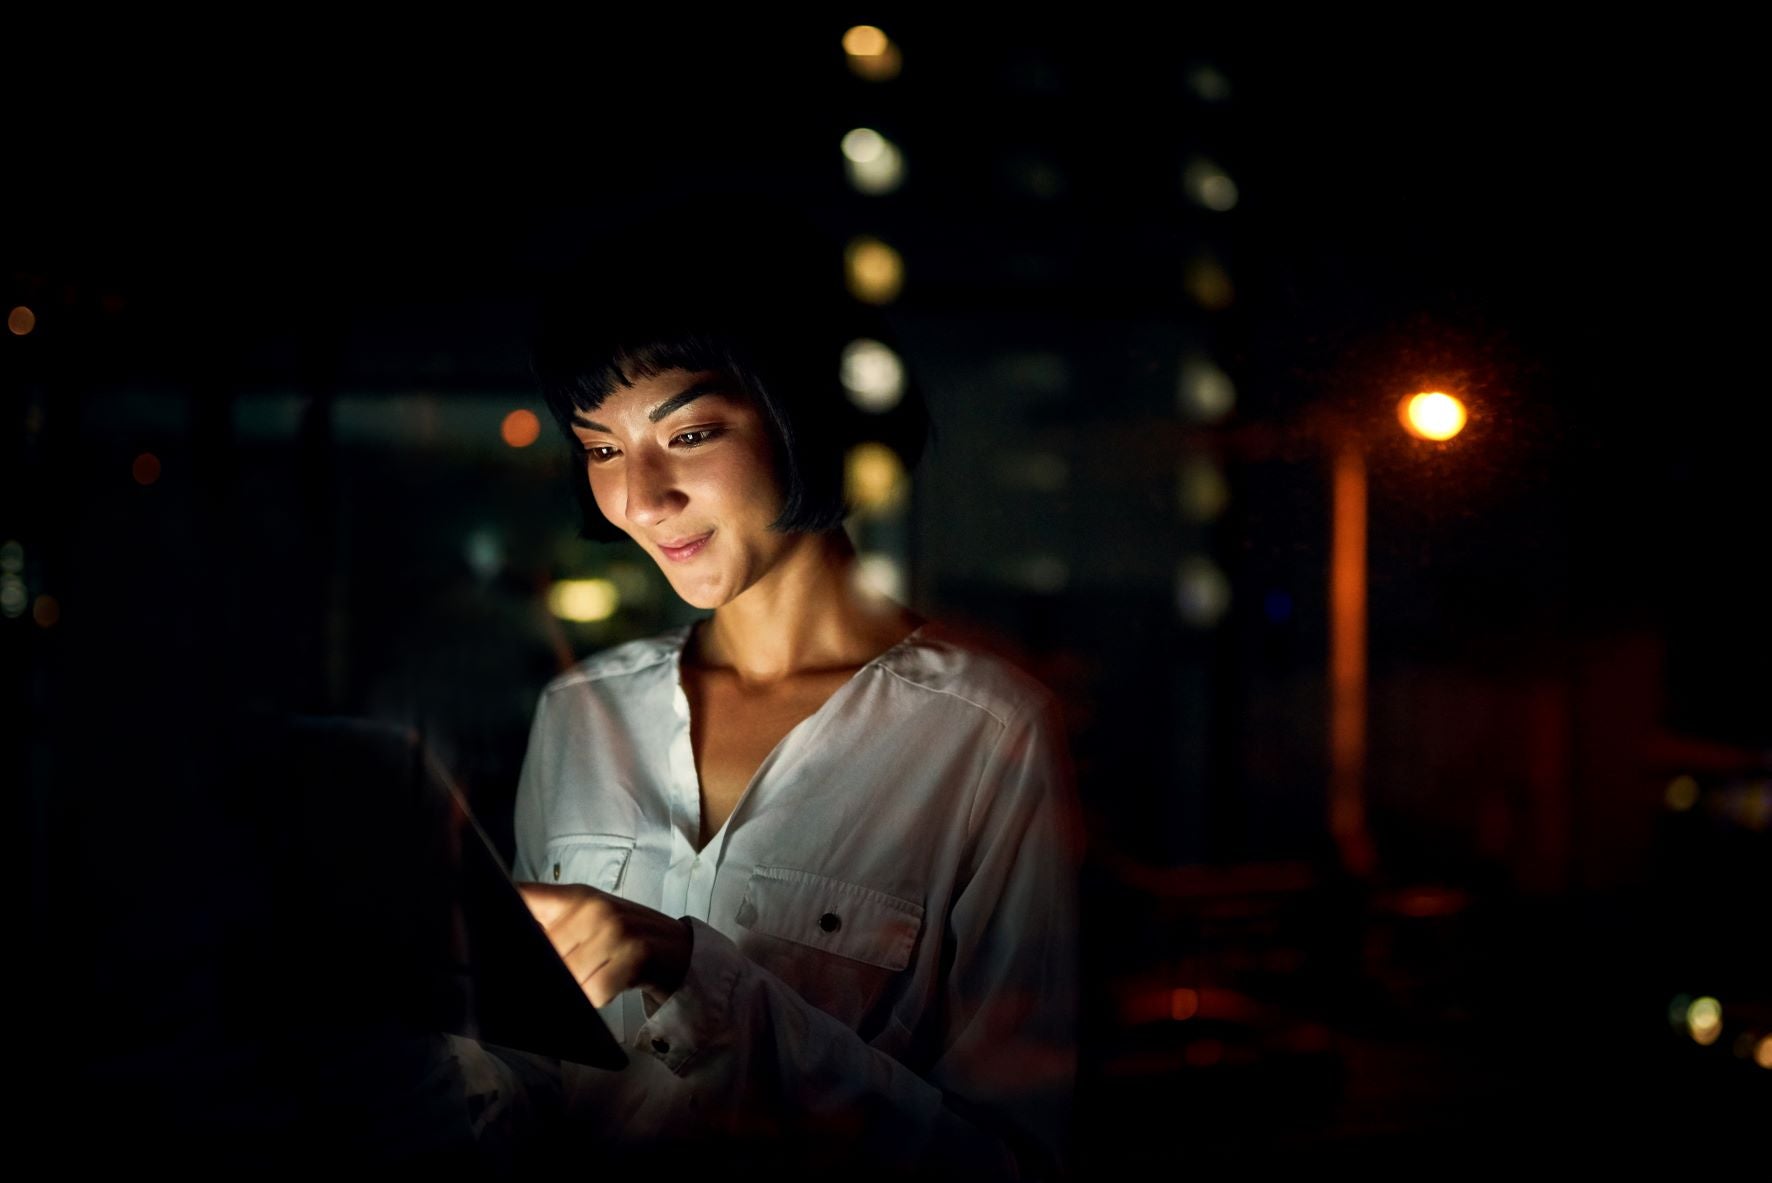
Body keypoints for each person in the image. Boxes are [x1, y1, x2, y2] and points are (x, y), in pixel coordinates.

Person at [509, 205, 1080, 1178]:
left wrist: (697, 975)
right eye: (601, 449)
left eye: (687, 432)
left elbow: (1010, 1159)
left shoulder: (985, 734)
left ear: (802, 413)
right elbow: (521, 1085)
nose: (640, 499)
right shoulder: (579, 713)